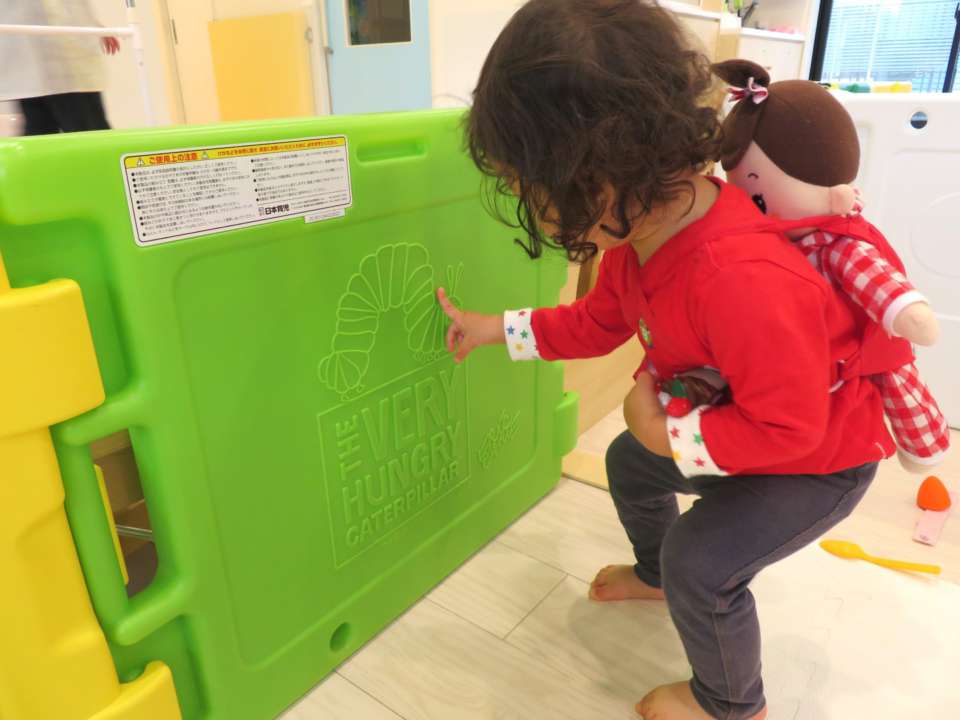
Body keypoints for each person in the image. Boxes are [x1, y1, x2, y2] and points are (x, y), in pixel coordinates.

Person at [437, 1, 892, 719]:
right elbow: (595, 323)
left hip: (817, 461)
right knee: (630, 464)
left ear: (598, 178)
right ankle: (654, 577)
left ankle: (730, 702)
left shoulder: (740, 279)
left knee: (701, 562)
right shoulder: (642, 232)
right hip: (743, 422)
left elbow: (791, 427)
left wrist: (667, 434)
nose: (530, 206)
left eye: (532, 189)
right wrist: (494, 329)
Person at [0, 0, 118, 135]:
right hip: (59, 62)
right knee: (88, 131)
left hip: (33, 59)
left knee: (41, 131)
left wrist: (92, 26)